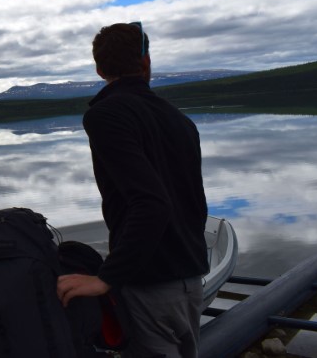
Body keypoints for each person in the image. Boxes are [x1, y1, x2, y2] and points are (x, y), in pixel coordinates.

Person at [57, 22, 209, 358]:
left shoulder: (106, 115)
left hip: (149, 284)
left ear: (99, 70)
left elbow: (152, 203)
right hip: (190, 275)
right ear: (146, 62)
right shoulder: (181, 120)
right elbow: (193, 204)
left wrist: (106, 278)